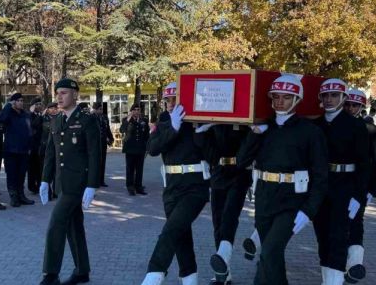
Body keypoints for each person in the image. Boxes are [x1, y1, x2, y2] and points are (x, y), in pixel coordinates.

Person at [237, 75, 328, 284]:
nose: (279, 101)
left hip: (292, 201)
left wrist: (309, 210)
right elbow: (242, 161)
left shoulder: (310, 132)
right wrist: (254, 133)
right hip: (264, 197)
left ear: (297, 100)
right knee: (270, 255)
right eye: (275, 96)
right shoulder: (262, 128)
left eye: (286, 97)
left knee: (270, 250)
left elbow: (321, 175)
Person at [140, 82, 209, 285]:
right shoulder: (163, 123)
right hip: (171, 188)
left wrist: (202, 133)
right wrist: (173, 128)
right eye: (167, 100)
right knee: (181, 234)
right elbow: (152, 149)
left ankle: (155, 273)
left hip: (195, 187)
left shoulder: (198, 122)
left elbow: (212, 153)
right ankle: (190, 277)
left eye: (174, 100)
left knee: (172, 229)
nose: (170, 104)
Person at [38, 78, 100, 285]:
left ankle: (51, 274)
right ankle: (82, 271)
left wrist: (92, 185)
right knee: (75, 227)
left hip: (78, 183)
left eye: (64, 93)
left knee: (56, 224)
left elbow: (94, 155)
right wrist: (45, 180)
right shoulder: (56, 120)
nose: (59, 96)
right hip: (62, 183)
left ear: (75, 95)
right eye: (58, 93)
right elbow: (50, 154)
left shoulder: (87, 119)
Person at [313, 78, 369, 285]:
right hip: (320, 186)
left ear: (343, 98)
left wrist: (358, 196)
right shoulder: (315, 124)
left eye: (334, 95)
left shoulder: (355, 125)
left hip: (345, 186)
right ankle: (327, 279)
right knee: (322, 236)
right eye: (325, 95)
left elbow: (364, 165)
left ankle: (334, 282)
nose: (329, 99)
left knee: (338, 236)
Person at [199, 124, 252, 285]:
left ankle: (223, 257)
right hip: (218, 174)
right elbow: (207, 150)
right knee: (218, 222)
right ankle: (223, 272)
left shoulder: (243, 120)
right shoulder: (213, 122)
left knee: (230, 216)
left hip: (240, 174)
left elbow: (250, 146)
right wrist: (202, 131)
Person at [343, 89, 376, 283]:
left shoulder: (370, 131)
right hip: (336, 183)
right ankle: (340, 261)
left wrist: (373, 189)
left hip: (360, 185)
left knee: (356, 221)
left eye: (355, 105)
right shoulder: (334, 126)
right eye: (348, 104)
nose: (351, 108)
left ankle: (354, 264)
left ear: (361, 107)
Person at [0, 93, 36, 208]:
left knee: (21, 174)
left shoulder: (25, 114)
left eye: (22, 100)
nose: (21, 102)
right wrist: (8, 106)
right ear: (13, 102)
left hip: (24, 150)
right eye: (18, 100)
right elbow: (1, 119)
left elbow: (30, 131)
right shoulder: (9, 113)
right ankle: (14, 197)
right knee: (12, 175)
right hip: (11, 150)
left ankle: (21, 195)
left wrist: (30, 147)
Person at [120, 103, 150, 196]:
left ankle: (139, 187)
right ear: (131, 111)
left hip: (140, 149)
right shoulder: (126, 120)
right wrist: (128, 119)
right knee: (130, 169)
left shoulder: (144, 120)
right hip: (130, 149)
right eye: (134, 110)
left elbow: (146, 136)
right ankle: (130, 187)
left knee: (139, 169)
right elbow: (122, 130)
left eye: (138, 110)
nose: (136, 111)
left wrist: (147, 148)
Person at [41, 102, 59, 200]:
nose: (53, 110)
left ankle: (56, 191)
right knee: (47, 170)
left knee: (57, 171)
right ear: (47, 109)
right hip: (45, 148)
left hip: (56, 148)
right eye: (51, 108)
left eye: (55, 108)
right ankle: (47, 192)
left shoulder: (59, 118)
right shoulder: (44, 118)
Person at [92, 103, 114, 187]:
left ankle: (101, 180)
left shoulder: (104, 117)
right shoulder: (91, 117)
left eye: (101, 109)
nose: (101, 111)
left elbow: (107, 128)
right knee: (95, 162)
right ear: (95, 109)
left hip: (103, 142)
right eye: (99, 109)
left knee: (103, 161)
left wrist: (111, 138)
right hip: (94, 143)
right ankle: (95, 181)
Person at [27, 97, 44, 194]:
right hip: (32, 146)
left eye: (40, 104)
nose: (39, 106)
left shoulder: (42, 115)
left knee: (40, 167)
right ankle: (32, 186)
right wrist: (39, 115)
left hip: (40, 145)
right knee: (31, 168)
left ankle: (39, 185)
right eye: (37, 104)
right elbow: (32, 125)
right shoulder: (29, 115)